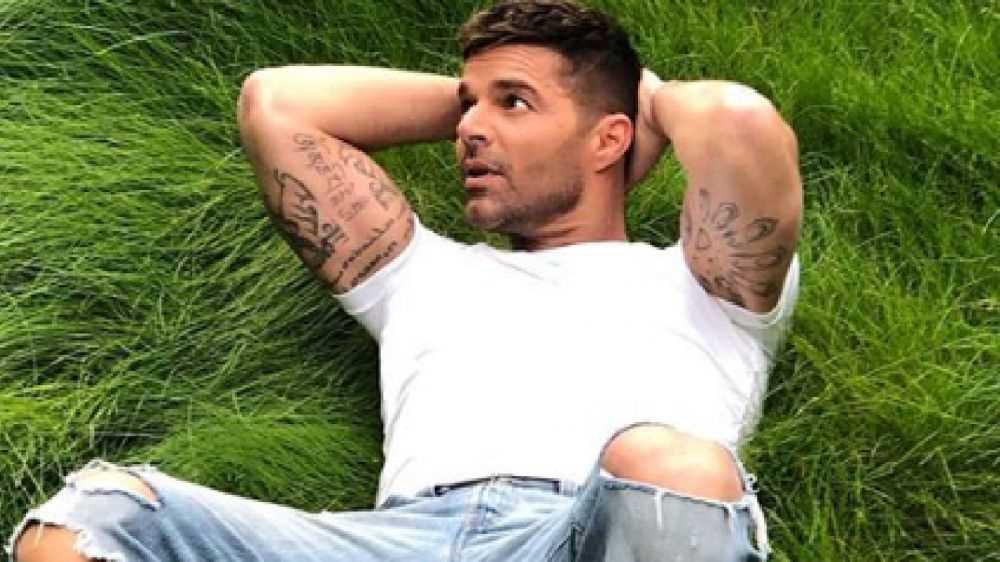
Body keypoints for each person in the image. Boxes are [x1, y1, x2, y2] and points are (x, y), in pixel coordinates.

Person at [8, 0, 802, 560]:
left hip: (591, 533)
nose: (469, 131)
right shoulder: (420, 275)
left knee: (673, 465)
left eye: (512, 104)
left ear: (610, 138)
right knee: (98, 513)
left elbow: (735, 121)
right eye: (467, 108)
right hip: (400, 542)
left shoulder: (705, 284)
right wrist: (491, 103)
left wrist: (638, 97)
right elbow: (277, 103)